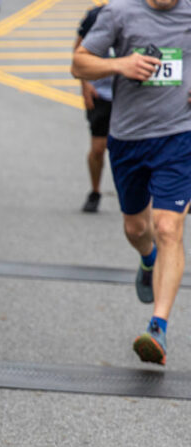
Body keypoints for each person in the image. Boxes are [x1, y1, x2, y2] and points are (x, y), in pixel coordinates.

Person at [72, 0, 191, 365]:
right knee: (136, 228)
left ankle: (158, 328)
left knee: (168, 226)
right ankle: (148, 258)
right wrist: (119, 64)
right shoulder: (118, 13)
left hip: (179, 137)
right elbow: (79, 63)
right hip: (129, 140)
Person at [74, 5, 112, 213]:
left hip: (134, 96)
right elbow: (78, 52)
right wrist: (85, 84)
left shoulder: (148, 13)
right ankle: (95, 191)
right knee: (98, 148)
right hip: (101, 93)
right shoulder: (97, 16)